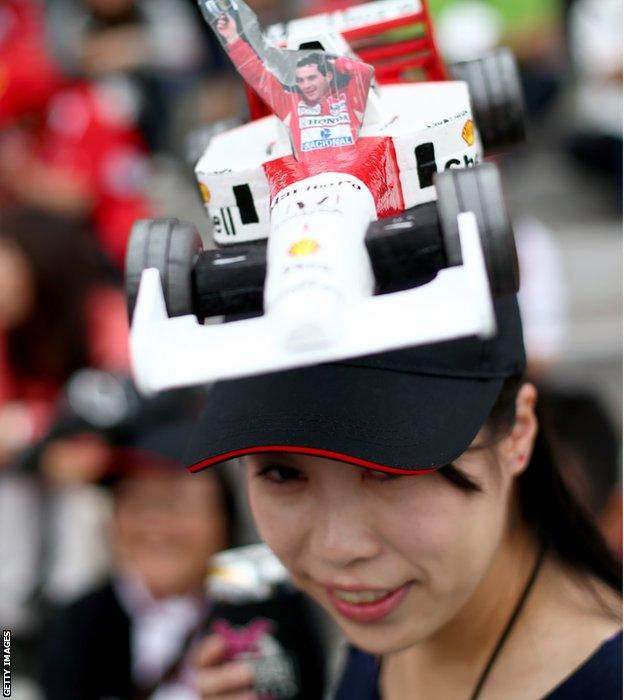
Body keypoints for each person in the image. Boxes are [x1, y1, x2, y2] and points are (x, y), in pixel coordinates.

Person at [189, 296, 621, 698]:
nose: (338, 548)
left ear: (517, 435)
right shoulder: (391, 634)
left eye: (389, 470)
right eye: (282, 474)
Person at [213, 10, 373, 159]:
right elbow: (255, 72)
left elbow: (361, 72)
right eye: (300, 80)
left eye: (312, 78)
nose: (306, 85)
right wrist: (233, 38)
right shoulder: (289, 106)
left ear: (329, 76)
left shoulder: (352, 99)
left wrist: (329, 60)